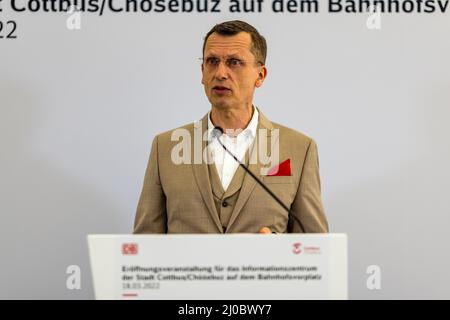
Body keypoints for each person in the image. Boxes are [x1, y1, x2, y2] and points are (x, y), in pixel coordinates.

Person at [133, 20, 328, 234]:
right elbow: (145, 244)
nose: (220, 73)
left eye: (234, 62)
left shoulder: (300, 149)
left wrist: (279, 253)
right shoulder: (165, 147)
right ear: (202, 71)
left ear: (260, 76)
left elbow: (314, 248)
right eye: (212, 61)